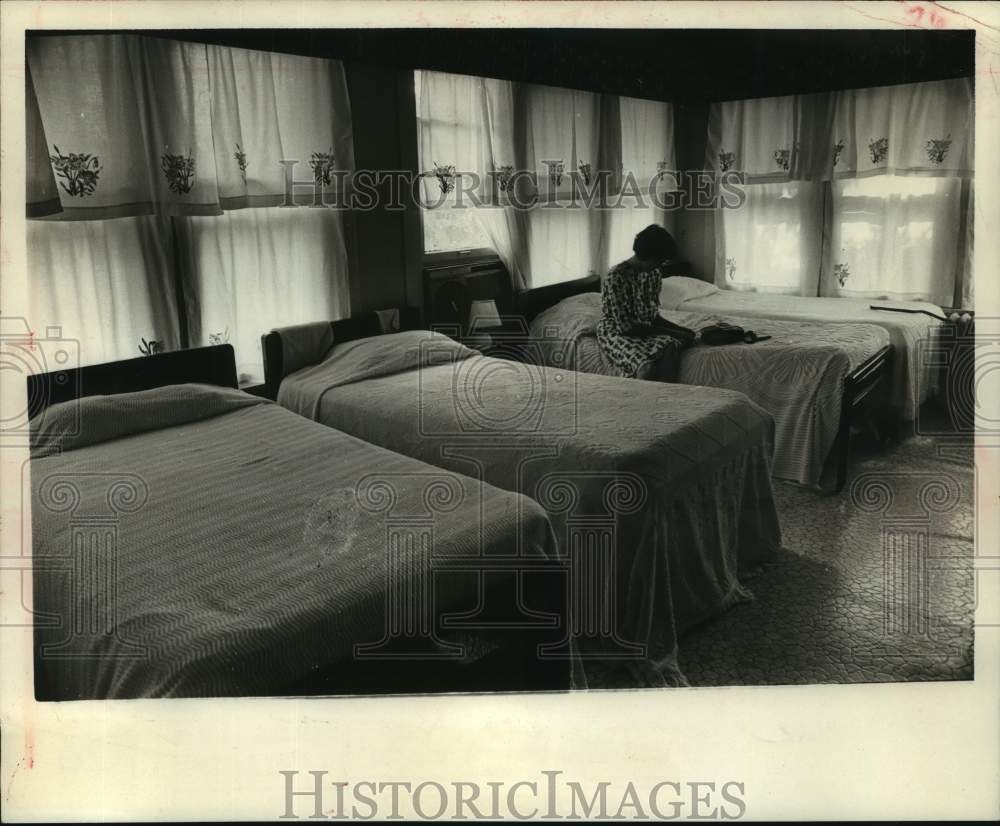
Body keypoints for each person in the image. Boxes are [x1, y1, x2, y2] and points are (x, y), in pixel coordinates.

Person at [597, 224, 694, 380]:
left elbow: (653, 317)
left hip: (645, 328)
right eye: (659, 260)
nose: (660, 265)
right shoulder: (616, 277)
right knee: (647, 367)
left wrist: (681, 329)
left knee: (671, 348)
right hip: (619, 331)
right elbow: (627, 327)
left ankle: (668, 396)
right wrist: (674, 332)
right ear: (647, 255)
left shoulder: (653, 274)